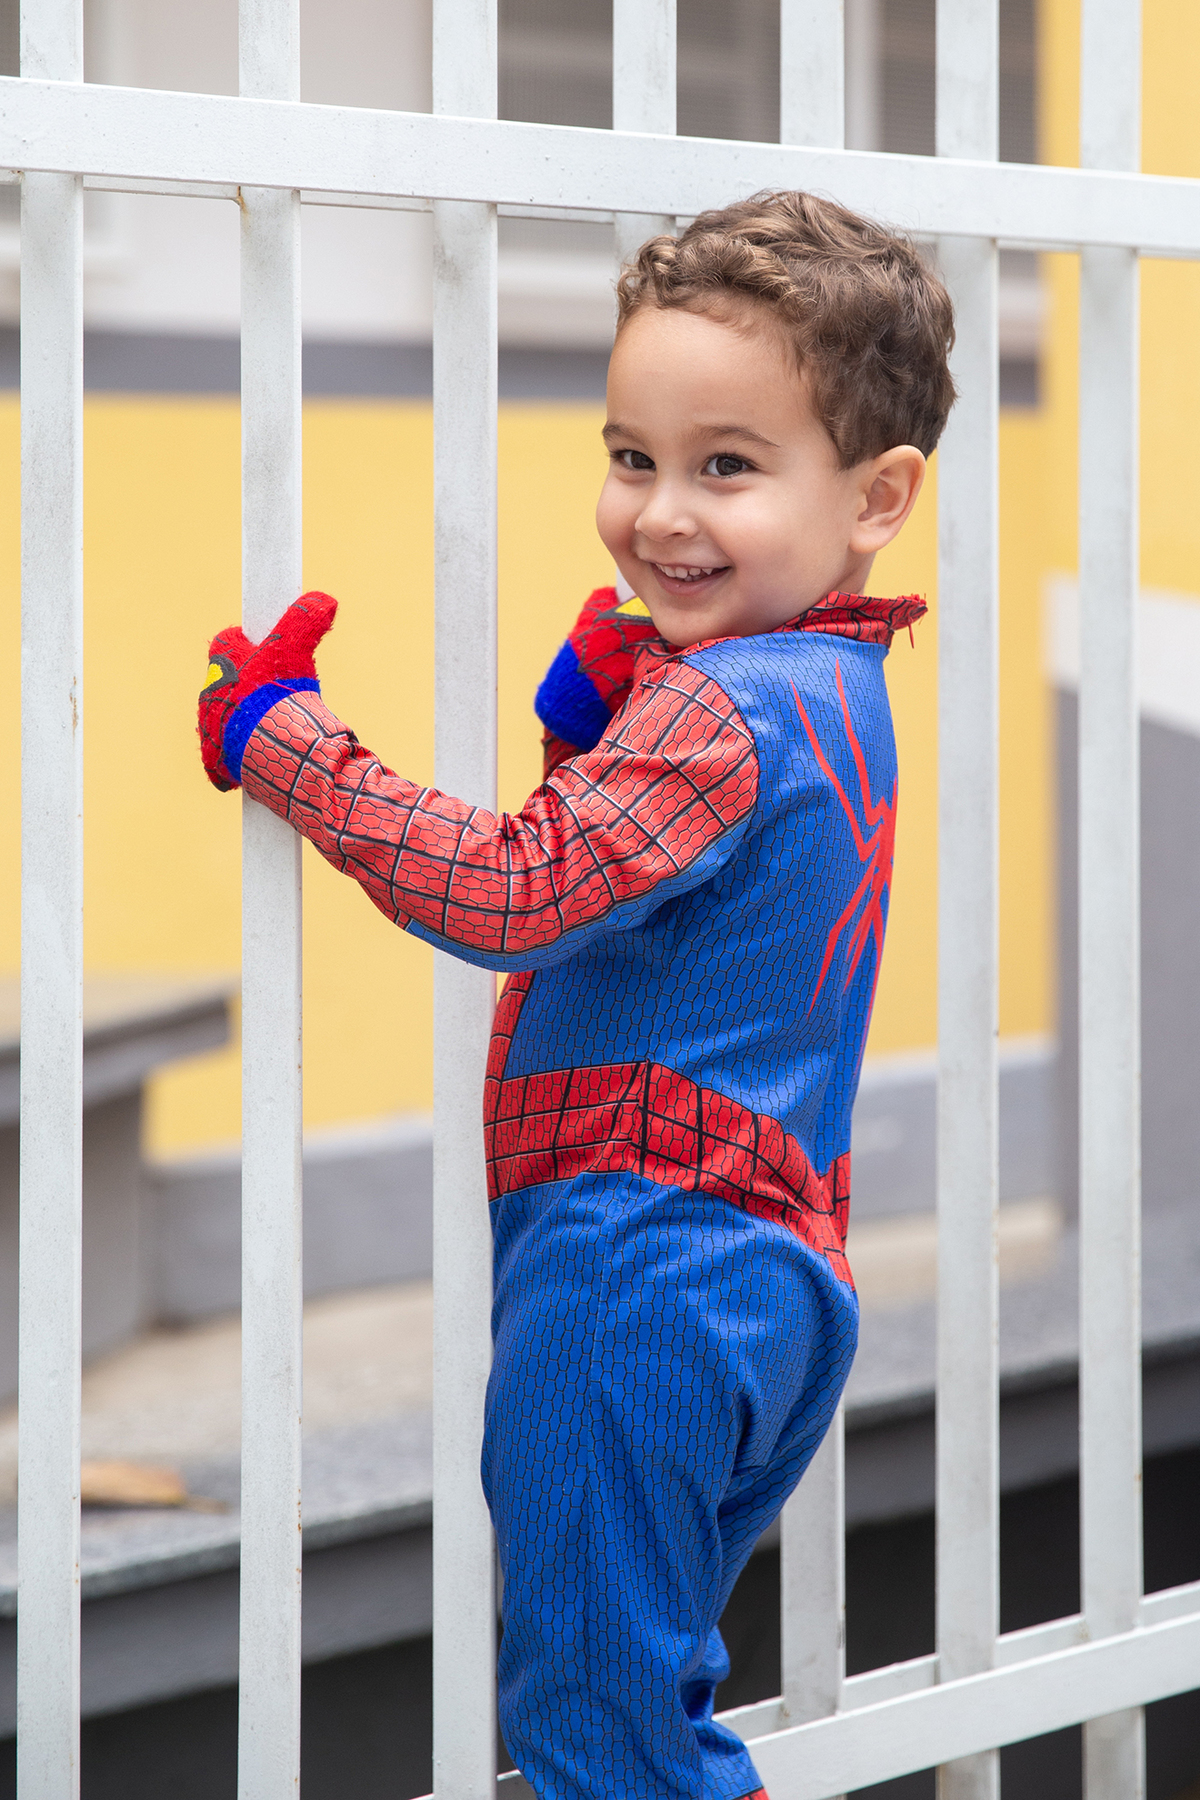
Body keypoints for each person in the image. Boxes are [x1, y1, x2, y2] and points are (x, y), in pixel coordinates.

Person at [197, 189, 954, 1800]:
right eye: (632, 457)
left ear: (881, 494)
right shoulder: (835, 685)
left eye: (725, 467)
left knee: (602, 1745)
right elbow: (682, 937)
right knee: (639, 1700)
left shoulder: (719, 712)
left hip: (635, 1283)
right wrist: (597, 731)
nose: (659, 514)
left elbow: (520, 892)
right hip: (765, 1277)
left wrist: (290, 745)